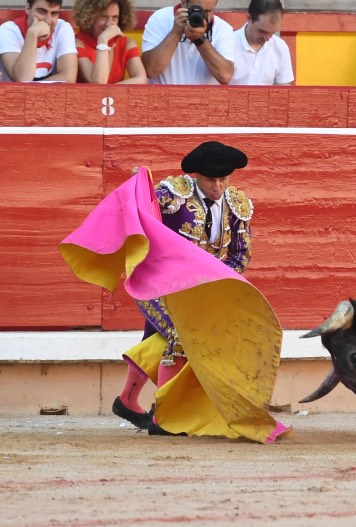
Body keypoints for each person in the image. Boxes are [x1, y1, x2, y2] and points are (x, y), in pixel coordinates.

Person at [108, 142, 287, 442]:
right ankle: (164, 415)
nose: (217, 187)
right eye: (210, 181)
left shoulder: (237, 204)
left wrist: (213, 285)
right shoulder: (172, 195)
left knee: (156, 337)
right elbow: (140, 209)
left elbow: (240, 254)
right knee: (181, 332)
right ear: (197, 176)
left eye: (224, 180)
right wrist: (136, 184)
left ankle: (126, 401)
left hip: (201, 291)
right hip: (158, 283)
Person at [141, 0, 234, 85]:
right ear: (183, 2)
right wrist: (176, 32)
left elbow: (225, 76)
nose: (202, 16)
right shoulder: (161, 18)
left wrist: (200, 39)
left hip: (204, 101)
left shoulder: (222, 28)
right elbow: (150, 70)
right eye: (198, 10)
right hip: (164, 98)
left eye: (208, 11)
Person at [0, 0, 77, 82]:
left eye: (54, 13)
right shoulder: (8, 30)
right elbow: (22, 78)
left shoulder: (63, 28)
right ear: (28, 8)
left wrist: (35, 89)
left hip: (51, 94)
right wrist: (32, 35)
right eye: (42, 12)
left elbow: (68, 78)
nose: (48, 21)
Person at [72, 0, 146, 84]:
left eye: (115, 17)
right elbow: (98, 82)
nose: (109, 23)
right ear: (90, 17)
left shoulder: (126, 43)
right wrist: (103, 41)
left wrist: (111, 91)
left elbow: (141, 79)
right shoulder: (78, 43)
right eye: (104, 17)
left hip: (117, 96)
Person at [231, 0, 293, 85]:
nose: (267, 38)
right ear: (249, 18)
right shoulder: (227, 43)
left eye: (273, 32)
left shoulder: (280, 47)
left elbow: (284, 92)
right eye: (262, 31)